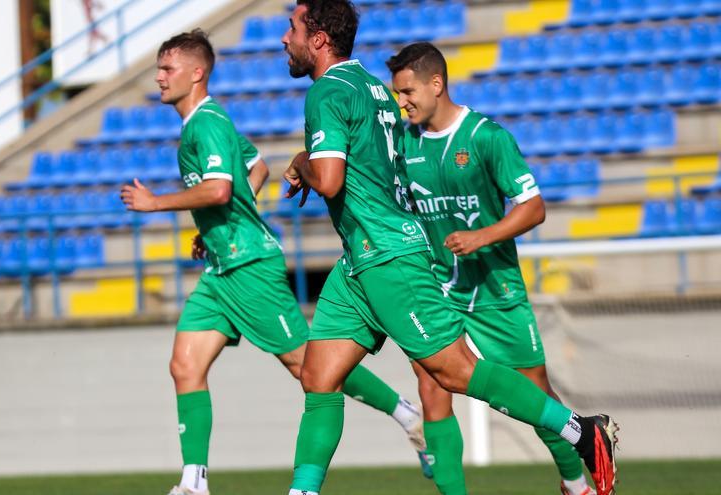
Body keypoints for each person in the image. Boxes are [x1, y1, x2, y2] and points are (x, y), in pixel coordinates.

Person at [279, 2, 618, 495]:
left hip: (391, 257)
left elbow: (329, 181)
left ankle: (581, 432)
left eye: (292, 28)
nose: (283, 39)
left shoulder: (328, 91)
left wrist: (302, 161)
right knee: (319, 375)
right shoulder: (374, 87)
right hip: (360, 260)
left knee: (454, 372)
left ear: (319, 39)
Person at [120, 29, 425, 495]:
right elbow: (256, 168)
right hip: (223, 266)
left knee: (310, 366)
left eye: (168, 68)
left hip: (250, 269)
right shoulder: (204, 123)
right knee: (185, 365)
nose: (159, 77)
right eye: (160, 68)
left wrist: (156, 203)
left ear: (197, 73)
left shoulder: (206, 123)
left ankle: (405, 413)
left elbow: (221, 188)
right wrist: (219, 228)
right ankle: (193, 482)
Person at [388, 41, 597, 495]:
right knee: (431, 390)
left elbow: (534, 206)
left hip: (494, 289)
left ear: (436, 84)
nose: (401, 103)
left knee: (535, 395)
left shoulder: (487, 137)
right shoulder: (404, 143)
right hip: (435, 290)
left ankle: (576, 482)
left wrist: (483, 236)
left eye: (407, 92)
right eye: (397, 94)